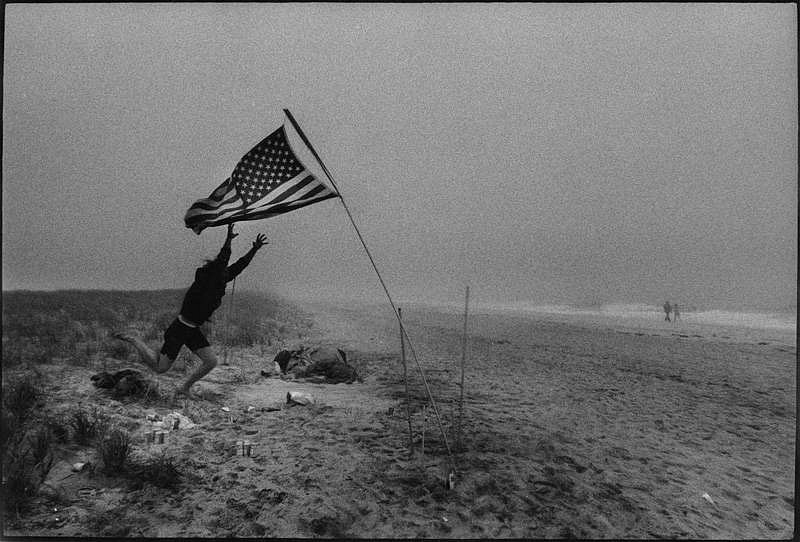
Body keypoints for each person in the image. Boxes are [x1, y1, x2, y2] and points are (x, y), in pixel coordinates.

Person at [114, 224, 267, 399]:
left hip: (192, 329)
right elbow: (223, 259)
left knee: (211, 361)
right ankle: (134, 340)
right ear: (216, 270)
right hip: (180, 328)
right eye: (223, 271)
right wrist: (228, 240)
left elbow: (240, 265)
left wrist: (254, 249)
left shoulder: (222, 278)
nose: (227, 275)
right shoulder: (206, 279)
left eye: (227, 274)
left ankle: (184, 388)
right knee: (160, 368)